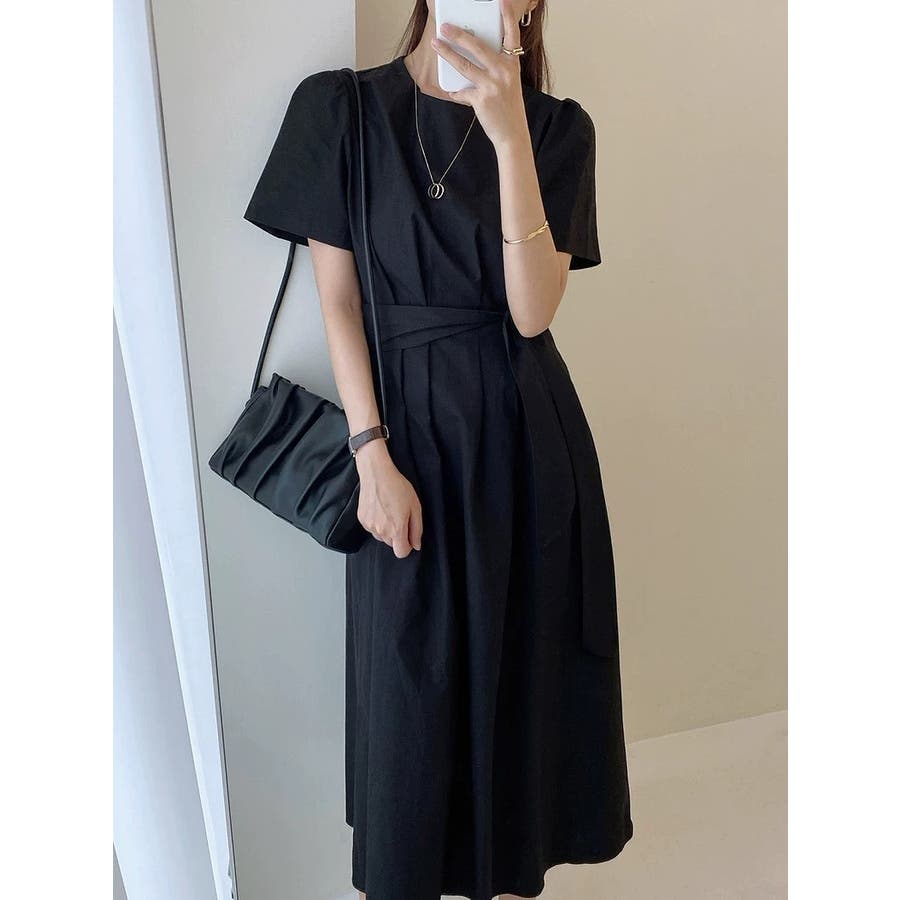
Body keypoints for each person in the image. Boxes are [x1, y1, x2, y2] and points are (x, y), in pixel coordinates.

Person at [243, 1, 633, 897]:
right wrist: (369, 453)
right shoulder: (340, 109)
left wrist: (509, 135)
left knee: (517, 686)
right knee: (410, 698)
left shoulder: (557, 130)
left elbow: (532, 313)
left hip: (525, 444)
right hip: (402, 441)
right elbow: (338, 300)